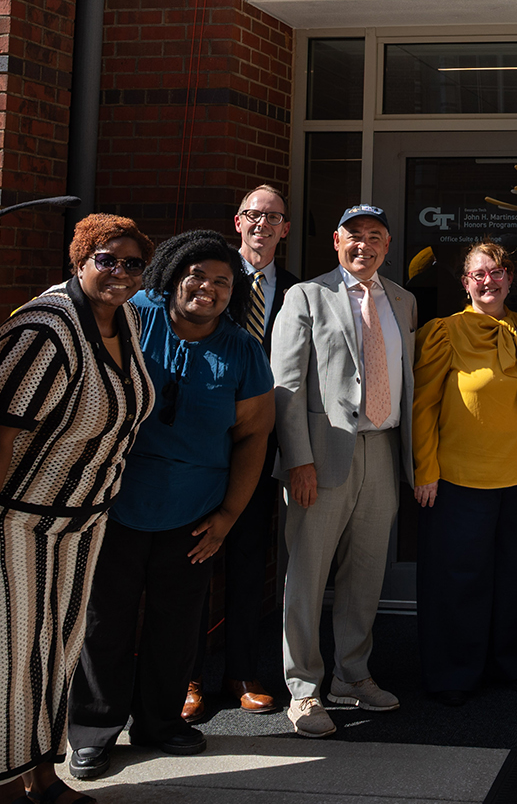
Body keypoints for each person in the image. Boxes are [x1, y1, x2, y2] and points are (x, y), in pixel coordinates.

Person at [0, 215, 158, 804]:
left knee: (57, 652)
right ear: (79, 259)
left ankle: (43, 777)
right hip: (10, 523)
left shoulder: (127, 320)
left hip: (80, 521)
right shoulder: (43, 332)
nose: (119, 273)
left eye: (132, 264)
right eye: (106, 260)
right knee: (4, 657)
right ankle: (1, 790)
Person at [67, 231, 274, 778]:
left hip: (195, 514)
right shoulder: (135, 318)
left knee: (178, 624)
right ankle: (92, 731)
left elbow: (254, 434)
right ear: (173, 274)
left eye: (223, 282)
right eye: (198, 276)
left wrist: (228, 517)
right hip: (114, 505)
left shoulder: (243, 351)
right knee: (104, 624)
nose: (208, 288)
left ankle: (160, 723)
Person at [269, 203, 418, 738]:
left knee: (366, 573)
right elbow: (285, 387)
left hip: (383, 449)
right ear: (336, 242)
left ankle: (352, 675)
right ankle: (304, 688)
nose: (364, 245)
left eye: (375, 236)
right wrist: (297, 460)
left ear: (388, 244)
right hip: (321, 456)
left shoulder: (403, 299)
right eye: (354, 236)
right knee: (307, 574)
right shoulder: (306, 296)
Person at [411, 242, 517, 704]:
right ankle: (455, 672)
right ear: (465, 282)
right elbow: (423, 407)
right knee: (459, 579)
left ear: (511, 278)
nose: (489, 281)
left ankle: (515, 663)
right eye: (478, 274)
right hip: (457, 478)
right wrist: (425, 469)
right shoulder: (443, 332)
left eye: (498, 272)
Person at [184, 184, 300, 722]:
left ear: (285, 229)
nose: (262, 224)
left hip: (263, 443)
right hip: (203, 443)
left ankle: (244, 672)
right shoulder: (210, 283)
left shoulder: (300, 293)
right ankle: (188, 678)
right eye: (254, 215)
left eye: (273, 217)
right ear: (238, 222)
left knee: (252, 559)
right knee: (193, 562)